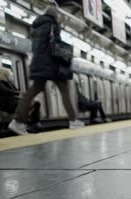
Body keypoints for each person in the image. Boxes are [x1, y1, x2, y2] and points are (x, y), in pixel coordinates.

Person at [8, 6, 84, 135]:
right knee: (64, 90)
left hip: (39, 64)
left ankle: (18, 122)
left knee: (32, 91)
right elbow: (56, 44)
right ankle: (73, 120)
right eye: (59, 17)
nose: (59, 19)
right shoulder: (52, 25)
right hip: (52, 64)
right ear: (55, 16)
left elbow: (39, 47)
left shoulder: (36, 28)